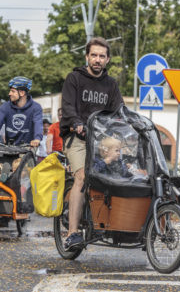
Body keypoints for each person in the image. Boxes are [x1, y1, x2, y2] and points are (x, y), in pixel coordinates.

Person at [60, 37, 124, 251]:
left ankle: (106, 221)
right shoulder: (74, 78)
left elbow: (119, 112)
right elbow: (68, 106)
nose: (97, 59)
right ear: (87, 57)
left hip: (100, 138)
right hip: (76, 137)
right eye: (94, 55)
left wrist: (131, 125)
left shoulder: (111, 85)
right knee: (82, 177)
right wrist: (77, 123)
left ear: (107, 60)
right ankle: (72, 233)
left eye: (102, 56)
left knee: (116, 170)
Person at [0, 76, 43, 147]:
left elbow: (38, 124)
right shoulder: (5, 106)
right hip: (9, 148)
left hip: (27, 149)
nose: (9, 94)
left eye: (13, 91)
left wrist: (37, 139)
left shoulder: (35, 107)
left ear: (21, 93)